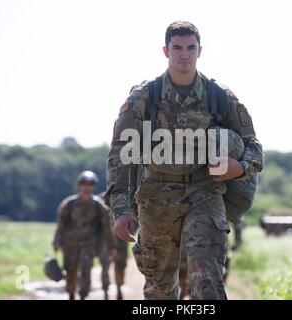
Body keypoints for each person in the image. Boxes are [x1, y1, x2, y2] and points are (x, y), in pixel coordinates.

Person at [106, 21, 263, 299]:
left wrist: (238, 168)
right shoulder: (145, 97)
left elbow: (253, 146)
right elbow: (121, 156)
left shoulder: (219, 97)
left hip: (204, 192)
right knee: (160, 289)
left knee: (207, 281)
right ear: (166, 50)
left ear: (200, 51)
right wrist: (121, 210)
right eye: (177, 48)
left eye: (190, 48)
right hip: (156, 197)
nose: (184, 55)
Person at [53, 171, 115, 300]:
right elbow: (61, 224)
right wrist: (56, 240)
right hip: (70, 244)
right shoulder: (69, 204)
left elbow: (106, 228)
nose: (87, 187)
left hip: (89, 243)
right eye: (84, 183)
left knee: (86, 269)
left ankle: (83, 295)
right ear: (79, 185)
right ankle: (71, 294)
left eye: (90, 184)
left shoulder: (99, 206)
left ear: (94, 186)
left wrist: (110, 246)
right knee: (70, 270)